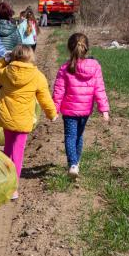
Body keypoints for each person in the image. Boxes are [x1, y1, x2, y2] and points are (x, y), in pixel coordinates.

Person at [0, 45, 57, 199]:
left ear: (13, 56)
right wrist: (52, 113)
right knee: (18, 152)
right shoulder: (37, 76)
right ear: (31, 57)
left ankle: (5, 180)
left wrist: (2, 60)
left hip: (7, 117)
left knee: (8, 148)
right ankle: (13, 188)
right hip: (23, 120)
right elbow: (45, 98)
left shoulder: (6, 72)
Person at [52, 33, 110, 179]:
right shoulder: (95, 66)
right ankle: (76, 163)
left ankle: (73, 164)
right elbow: (99, 88)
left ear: (69, 48)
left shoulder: (65, 68)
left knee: (70, 136)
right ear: (87, 48)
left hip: (69, 111)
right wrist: (104, 109)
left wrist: (54, 110)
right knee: (78, 136)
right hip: (85, 110)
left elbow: (59, 91)